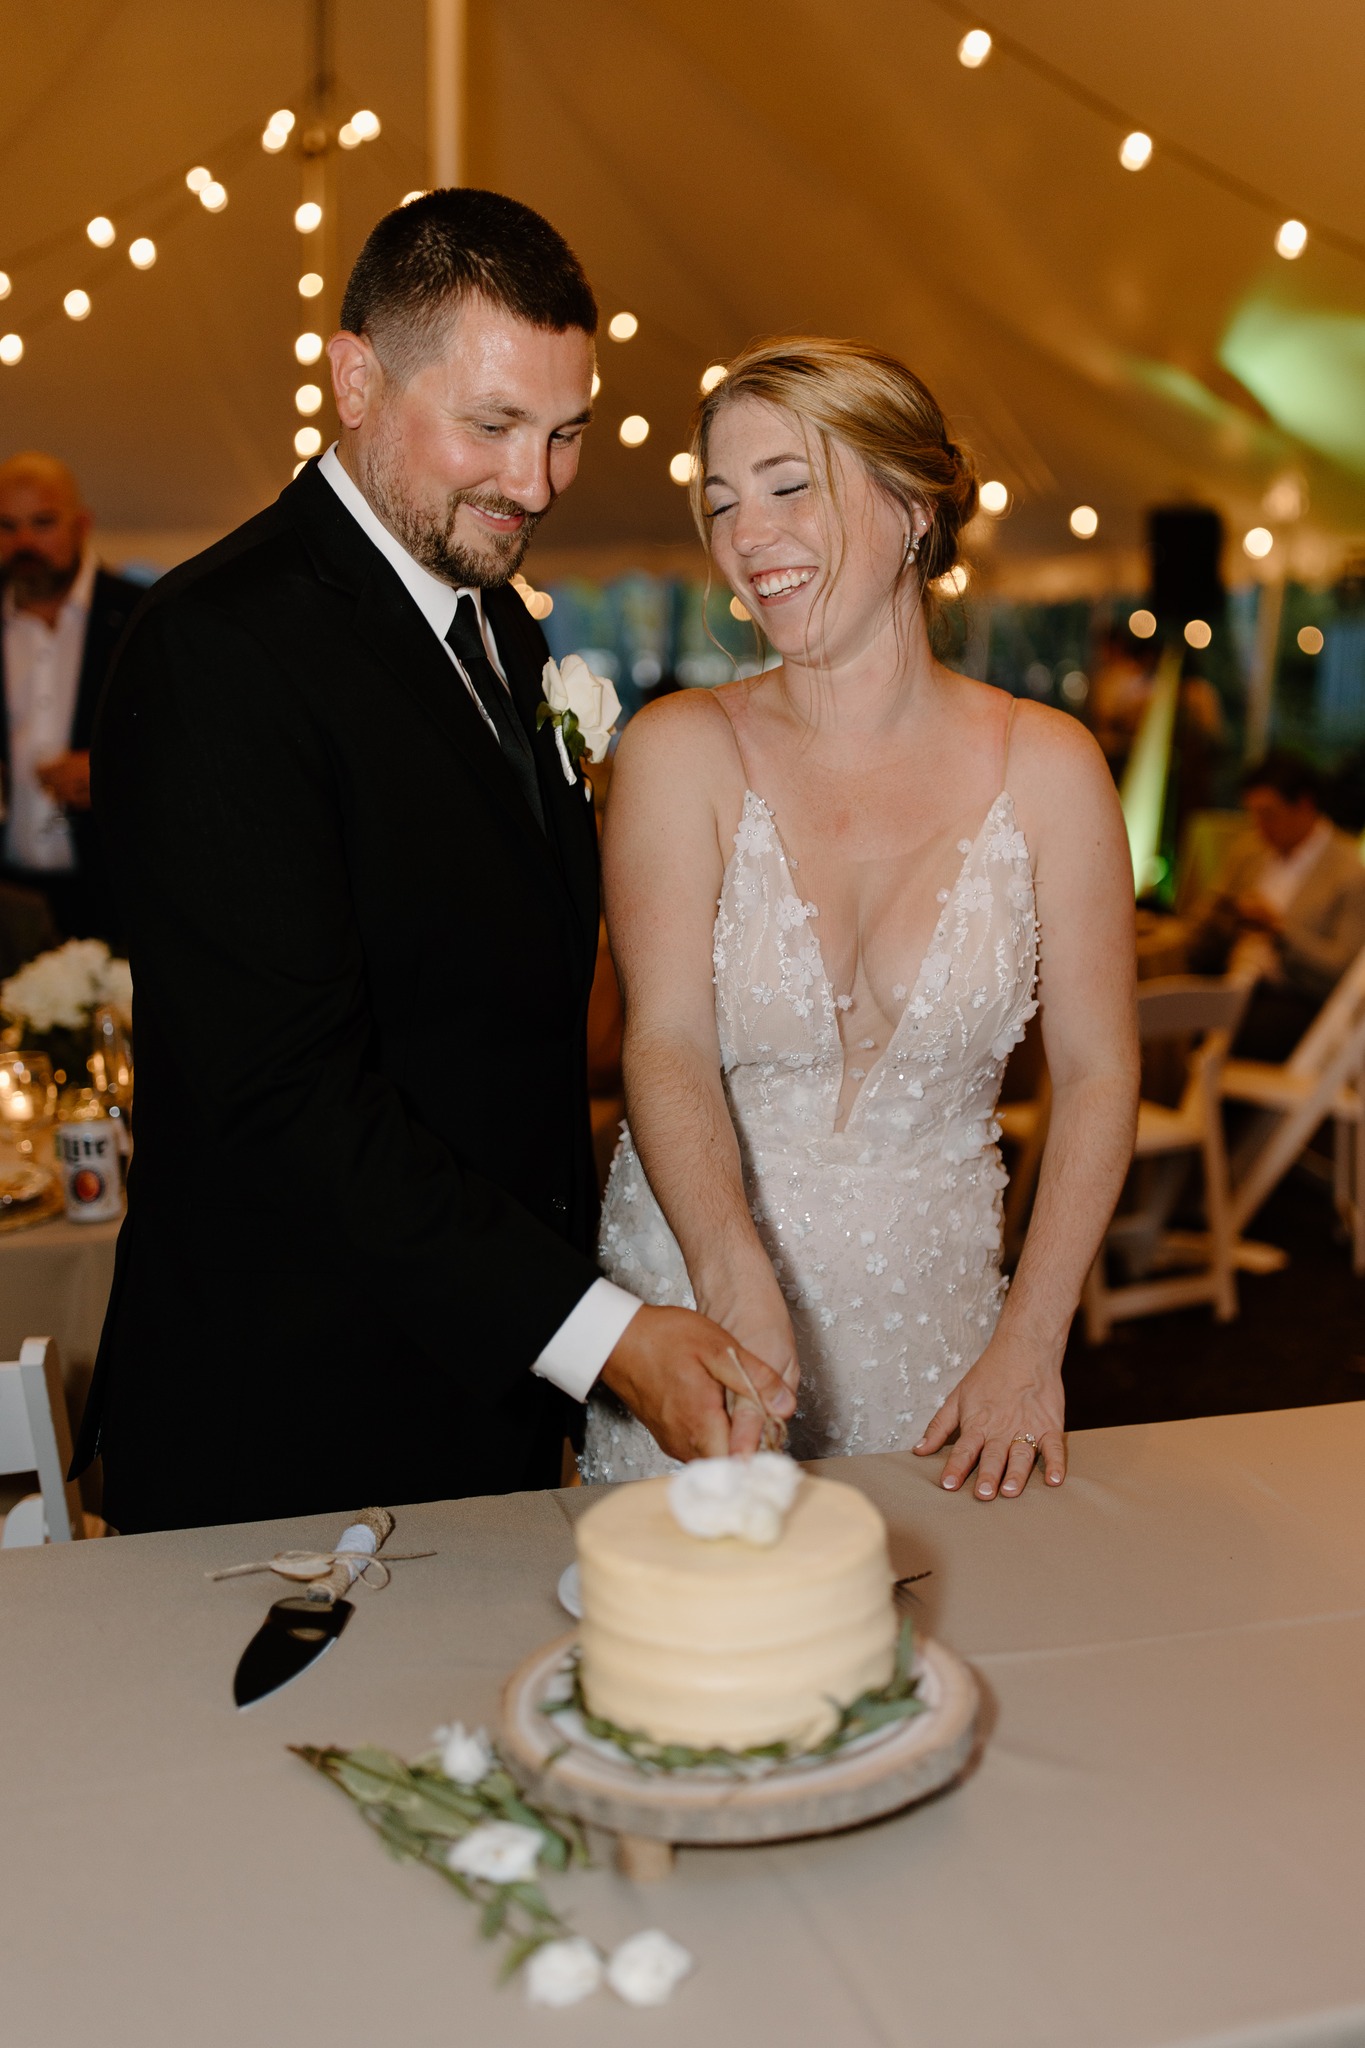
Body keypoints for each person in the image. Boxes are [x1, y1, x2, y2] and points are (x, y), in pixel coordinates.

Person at [74, 190, 792, 1534]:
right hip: (286, 1426)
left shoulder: (502, 635)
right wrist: (603, 1335)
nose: (535, 484)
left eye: (564, 432)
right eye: (493, 425)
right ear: (356, 377)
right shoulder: (214, 651)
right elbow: (284, 1097)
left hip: (479, 1392)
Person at [583, 336, 1139, 1501]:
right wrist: (728, 1265)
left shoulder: (1051, 767)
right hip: (704, 1307)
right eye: (723, 502)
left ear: (913, 506)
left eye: (790, 485)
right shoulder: (681, 750)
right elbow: (665, 1036)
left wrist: (1032, 1342)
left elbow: (1096, 1074)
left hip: (943, 1342)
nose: (747, 536)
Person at [0, 452, 142, 944]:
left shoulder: (140, 615)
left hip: (114, 894)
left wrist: (114, 769)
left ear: (82, 525)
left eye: (42, 523)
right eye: (7, 526)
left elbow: (196, 744)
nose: (23, 542)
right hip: (8, 898)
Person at [1188, 749, 1365, 1061]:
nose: (1259, 826)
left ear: (1305, 805)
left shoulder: (1348, 871)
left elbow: (1343, 969)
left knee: (1240, 1033)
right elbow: (1202, 919)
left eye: (1268, 814)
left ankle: (1209, 1105)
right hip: (1229, 975)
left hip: (1295, 996)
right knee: (1176, 1007)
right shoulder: (1250, 853)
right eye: (1253, 814)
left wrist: (1279, 930)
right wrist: (1229, 916)